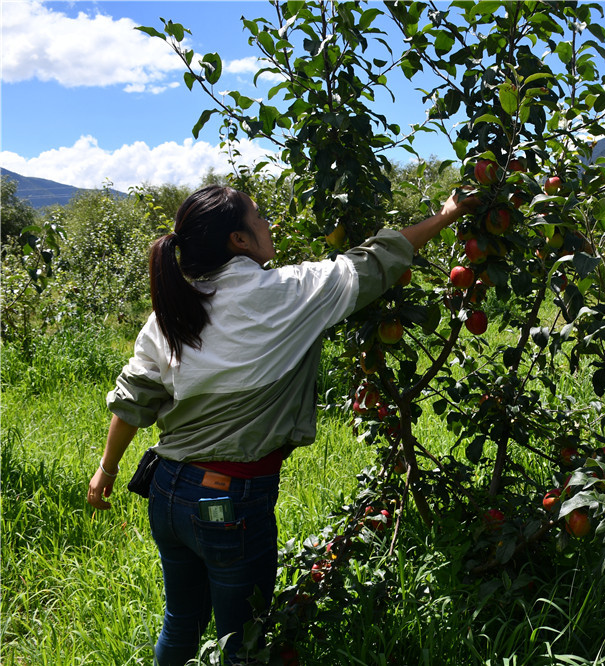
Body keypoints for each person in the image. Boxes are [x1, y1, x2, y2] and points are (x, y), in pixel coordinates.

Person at [86, 184, 477, 665]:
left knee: (181, 622)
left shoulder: (170, 310)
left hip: (166, 491)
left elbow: (133, 401)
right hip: (227, 500)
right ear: (240, 240)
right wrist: (446, 215)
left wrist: (106, 470)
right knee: (243, 644)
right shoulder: (286, 294)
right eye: (259, 216)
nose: (267, 223)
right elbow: (376, 261)